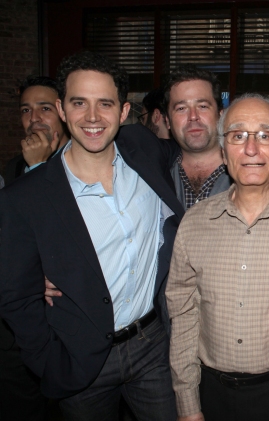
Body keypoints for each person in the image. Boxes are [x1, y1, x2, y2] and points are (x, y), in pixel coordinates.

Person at [0, 51, 184, 420]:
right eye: (79, 103)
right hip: (79, 360)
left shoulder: (143, 150)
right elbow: (16, 297)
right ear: (62, 109)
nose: (93, 117)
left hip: (153, 346)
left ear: (124, 112)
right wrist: (50, 361)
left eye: (105, 104)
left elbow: (194, 149)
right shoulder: (25, 197)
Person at [167, 93, 269, 421]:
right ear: (223, 149)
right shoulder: (194, 222)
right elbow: (184, 316)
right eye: (238, 136)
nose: (251, 149)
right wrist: (189, 405)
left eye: (265, 136)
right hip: (211, 394)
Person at [163, 64, 231, 210]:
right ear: (168, 121)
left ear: (220, 115)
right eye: (181, 108)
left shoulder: (247, 173)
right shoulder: (156, 176)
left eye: (203, 106)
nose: (193, 117)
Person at [3, 75, 69, 184]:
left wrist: (36, 165)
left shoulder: (83, 161)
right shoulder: (15, 166)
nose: (33, 118)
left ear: (64, 113)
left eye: (45, 108)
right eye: (26, 110)